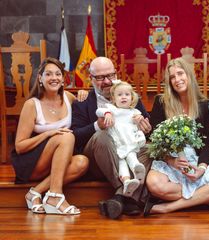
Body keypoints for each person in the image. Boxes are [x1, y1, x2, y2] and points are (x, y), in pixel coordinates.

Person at [144, 57, 209, 216]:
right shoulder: (161, 102)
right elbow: (154, 139)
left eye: (180, 74)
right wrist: (171, 160)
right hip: (171, 159)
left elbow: (207, 144)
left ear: (189, 75)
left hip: (197, 159)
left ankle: (168, 207)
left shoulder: (205, 105)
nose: (177, 79)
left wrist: (201, 168)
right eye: (172, 77)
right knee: (154, 185)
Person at [71, 56, 152, 219]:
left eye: (110, 75)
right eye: (100, 77)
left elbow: (145, 126)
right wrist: (96, 126)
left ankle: (120, 198)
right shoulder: (83, 102)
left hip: (128, 154)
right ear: (91, 78)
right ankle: (127, 193)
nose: (107, 81)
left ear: (116, 74)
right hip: (99, 159)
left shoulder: (129, 96)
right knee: (101, 136)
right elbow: (75, 137)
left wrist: (146, 128)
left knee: (151, 149)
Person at [11, 57, 89, 215]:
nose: (54, 78)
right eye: (48, 74)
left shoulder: (68, 98)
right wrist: (48, 133)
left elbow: (88, 109)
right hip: (32, 163)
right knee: (66, 136)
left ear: (62, 79)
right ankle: (54, 196)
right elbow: (19, 146)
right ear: (40, 78)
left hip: (58, 162)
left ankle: (35, 193)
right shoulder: (32, 105)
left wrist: (84, 93)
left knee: (82, 162)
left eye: (58, 74)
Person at [96, 81, 146, 197]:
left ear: (132, 97)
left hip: (130, 143)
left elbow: (141, 122)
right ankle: (127, 181)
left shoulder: (135, 112)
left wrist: (140, 119)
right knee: (121, 163)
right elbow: (98, 111)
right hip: (117, 143)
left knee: (131, 156)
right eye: (120, 95)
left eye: (127, 94)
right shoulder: (111, 108)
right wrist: (107, 113)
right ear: (113, 98)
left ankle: (135, 173)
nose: (124, 97)